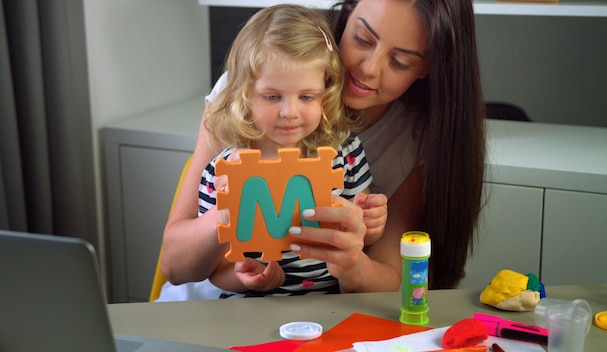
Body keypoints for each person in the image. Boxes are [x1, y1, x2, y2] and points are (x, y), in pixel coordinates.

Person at [160, 0, 485, 294]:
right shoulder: (247, 88)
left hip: (318, 314)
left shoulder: (389, 144)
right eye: (362, 39)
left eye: (399, 61)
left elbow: (388, 273)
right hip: (207, 305)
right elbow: (178, 264)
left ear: (428, 67)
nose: (368, 68)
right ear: (345, 18)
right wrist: (229, 220)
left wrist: (354, 256)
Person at [158, 4, 385, 300]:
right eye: (273, 96)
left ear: (325, 93)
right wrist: (247, 279)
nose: (289, 112)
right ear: (245, 94)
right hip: (250, 311)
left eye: (306, 96)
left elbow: (363, 239)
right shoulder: (225, 169)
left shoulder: (347, 154)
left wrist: (373, 223)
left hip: (332, 307)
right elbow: (218, 272)